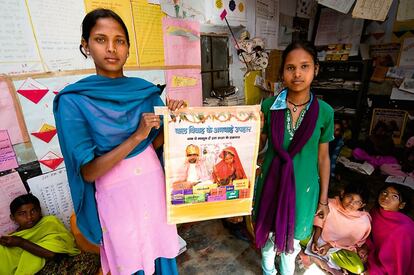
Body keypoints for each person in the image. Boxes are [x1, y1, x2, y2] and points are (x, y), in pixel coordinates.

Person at [53, 9, 184, 275]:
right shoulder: (73, 100)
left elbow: (153, 146)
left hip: (153, 188)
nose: (111, 49)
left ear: (127, 48)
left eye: (119, 41)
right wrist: (136, 135)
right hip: (117, 199)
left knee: (162, 255)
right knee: (130, 259)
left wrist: (176, 123)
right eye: (101, 39)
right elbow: (88, 172)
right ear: (85, 45)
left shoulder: (145, 91)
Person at [254, 40, 334, 275]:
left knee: (292, 243)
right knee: (268, 240)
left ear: (315, 69)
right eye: (290, 68)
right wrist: (256, 129)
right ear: (282, 72)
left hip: (304, 190)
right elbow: (258, 147)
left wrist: (324, 200)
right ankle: (268, 271)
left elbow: (323, 158)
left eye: (304, 66)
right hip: (271, 184)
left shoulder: (325, 112)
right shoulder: (269, 106)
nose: (297, 73)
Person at [0, 194, 99, 275]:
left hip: (59, 265)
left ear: (39, 211)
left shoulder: (50, 223)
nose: (29, 217)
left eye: (33, 211)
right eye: (22, 214)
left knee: (90, 258)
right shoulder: (8, 241)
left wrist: (21, 242)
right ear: (13, 218)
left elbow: (56, 256)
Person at [305, 182, 371, 275]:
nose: (352, 203)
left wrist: (329, 246)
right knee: (300, 234)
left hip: (338, 248)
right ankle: (317, 257)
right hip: (319, 237)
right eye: (349, 197)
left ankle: (316, 257)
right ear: (342, 193)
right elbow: (319, 223)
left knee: (358, 267)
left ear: (362, 205)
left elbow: (351, 243)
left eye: (357, 202)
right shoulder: (330, 204)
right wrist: (315, 241)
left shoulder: (363, 221)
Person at [363, 183, 414, 275]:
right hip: (371, 254)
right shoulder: (375, 212)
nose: (386, 197)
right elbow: (369, 236)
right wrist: (365, 247)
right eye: (384, 192)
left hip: (388, 267)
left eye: (394, 196)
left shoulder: (403, 228)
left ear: (401, 205)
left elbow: (399, 261)